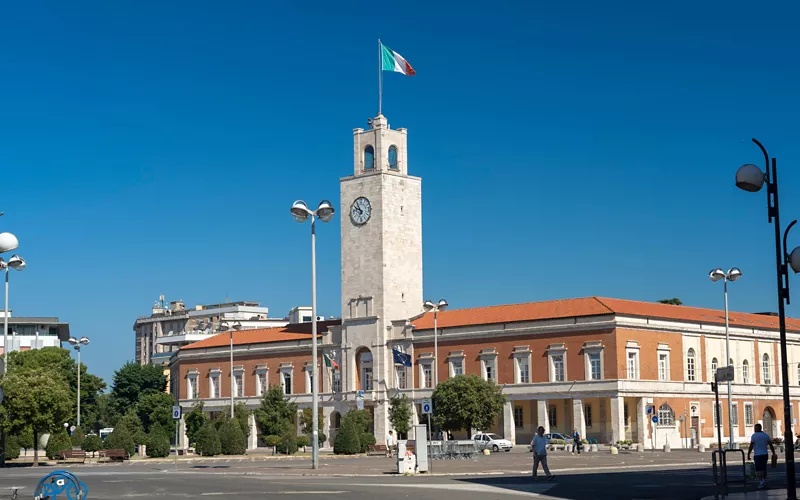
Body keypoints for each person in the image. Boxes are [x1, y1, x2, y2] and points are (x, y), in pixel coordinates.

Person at [747, 423, 777, 490]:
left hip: (757, 455)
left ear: (757, 428)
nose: (755, 429)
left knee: (758, 469)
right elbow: (771, 445)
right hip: (764, 454)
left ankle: (761, 482)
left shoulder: (754, 436)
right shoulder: (765, 435)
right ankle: (764, 480)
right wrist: (773, 453)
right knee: (764, 468)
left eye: (755, 428)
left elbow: (751, 446)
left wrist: (748, 454)